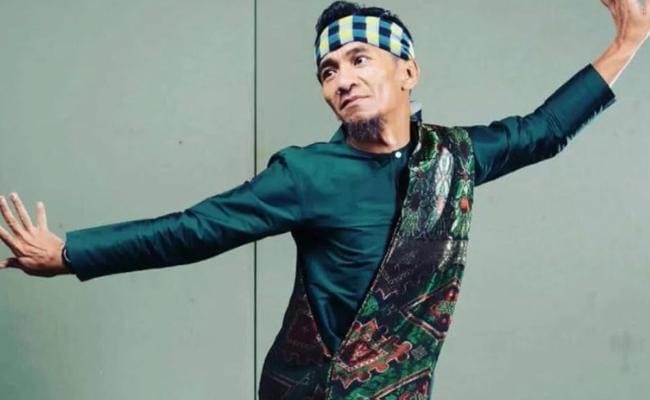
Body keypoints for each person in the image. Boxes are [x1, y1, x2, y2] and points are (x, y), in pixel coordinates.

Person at [0, 1, 647, 398]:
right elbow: (194, 229)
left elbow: (544, 131)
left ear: (407, 71)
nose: (342, 79)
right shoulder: (306, 173)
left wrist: (628, 40)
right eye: (328, 70)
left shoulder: (455, 157)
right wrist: (71, 253)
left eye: (360, 59)